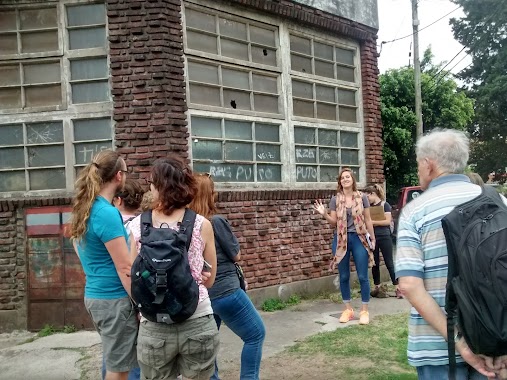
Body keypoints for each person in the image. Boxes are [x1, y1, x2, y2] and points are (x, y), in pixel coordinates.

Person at [396, 129, 498, 380]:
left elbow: (409, 285)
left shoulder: (415, 211)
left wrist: (459, 341)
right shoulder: (500, 203)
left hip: (436, 347)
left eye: (419, 163)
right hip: (495, 340)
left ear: (429, 165)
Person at [128, 155, 219, 380]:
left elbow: (134, 276)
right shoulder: (201, 224)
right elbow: (210, 280)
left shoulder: (137, 225)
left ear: (159, 187)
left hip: (154, 323)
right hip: (197, 319)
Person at [188, 173, 266, 380]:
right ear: (208, 195)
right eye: (213, 191)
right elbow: (236, 254)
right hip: (226, 290)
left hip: (203, 295)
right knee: (256, 334)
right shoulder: (215, 221)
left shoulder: (187, 223)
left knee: (208, 346)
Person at [69, 150, 137, 380]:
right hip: (114, 300)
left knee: (114, 364)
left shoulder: (85, 207)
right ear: (119, 176)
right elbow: (125, 268)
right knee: (118, 371)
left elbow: (77, 246)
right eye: (126, 172)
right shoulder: (107, 212)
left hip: (96, 296)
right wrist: (140, 305)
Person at [314, 168, 376, 325]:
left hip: (359, 238)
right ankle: (348, 309)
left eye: (348, 177)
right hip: (341, 240)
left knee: (362, 276)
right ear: (340, 182)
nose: (345, 179)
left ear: (353, 180)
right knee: (344, 276)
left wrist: (372, 239)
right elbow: (334, 222)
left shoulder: (362, 197)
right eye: (343, 178)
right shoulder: (336, 200)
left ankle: (364, 310)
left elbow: (368, 219)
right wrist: (324, 214)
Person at [97, 179, 145, 380]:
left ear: (117, 200)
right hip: (134, 293)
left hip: (110, 293)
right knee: (131, 354)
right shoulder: (143, 225)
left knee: (114, 352)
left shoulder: (107, 222)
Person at [363, 184, 401, 299]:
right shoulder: (368, 207)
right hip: (372, 237)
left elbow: (387, 221)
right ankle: (377, 287)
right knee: (375, 263)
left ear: (373, 194)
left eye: (368, 197)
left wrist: (372, 222)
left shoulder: (385, 205)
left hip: (384, 236)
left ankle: (397, 287)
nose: (367, 200)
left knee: (389, 262)